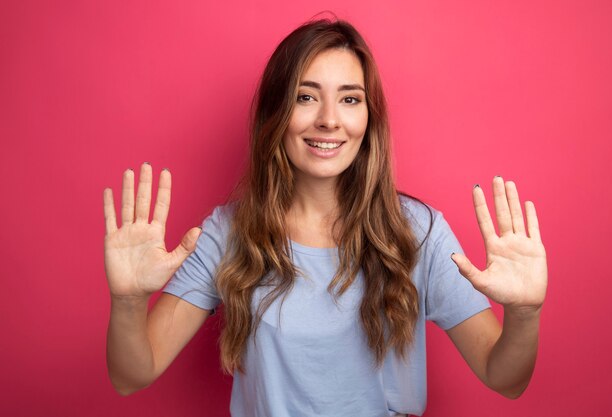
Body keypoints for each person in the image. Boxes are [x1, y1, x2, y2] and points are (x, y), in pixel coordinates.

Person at [103, 18, 547, 417]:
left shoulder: (418, 232)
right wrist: (127, 301)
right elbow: (131, 375)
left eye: (350, 99)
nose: (329, 120)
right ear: (277, 113)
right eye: (305, 97)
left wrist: (525, 314)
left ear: (369, 119)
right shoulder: (228, 234)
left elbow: (505, 378)